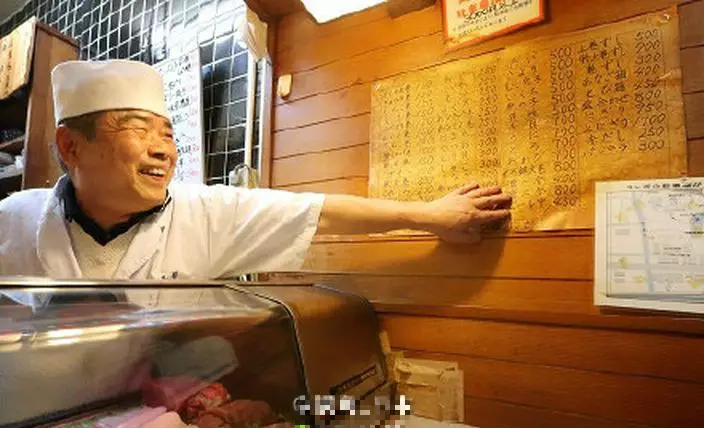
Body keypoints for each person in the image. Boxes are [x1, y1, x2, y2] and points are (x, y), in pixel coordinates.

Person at [0, 60, 512, 280]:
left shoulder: (204, 213)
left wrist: (430, 216)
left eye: (168, 134)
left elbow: (316, 212)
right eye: (138, 129)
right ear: (71, 146)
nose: (163, 152)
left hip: (149, 414)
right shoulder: (14, 219)